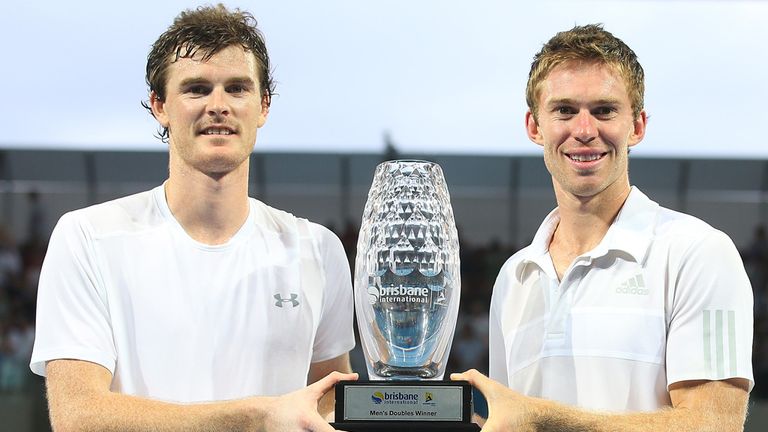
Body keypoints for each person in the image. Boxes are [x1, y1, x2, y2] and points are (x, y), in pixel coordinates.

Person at [30, 4, 356, 431]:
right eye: (197, 89)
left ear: (263, 107)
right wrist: (260, 416)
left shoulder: (318, 250)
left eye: (237, 88)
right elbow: (79, 417)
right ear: (160, 105)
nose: (218, 105)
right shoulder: (88, 237)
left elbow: (330, 407)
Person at [453, 24, 753, 431]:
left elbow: (715, 425)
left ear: (638, 126)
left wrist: (543, 420)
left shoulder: (700, 252)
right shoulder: (514, 277)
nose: (584, 130)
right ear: (534, 127)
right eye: (564, 110)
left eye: (604, 110)